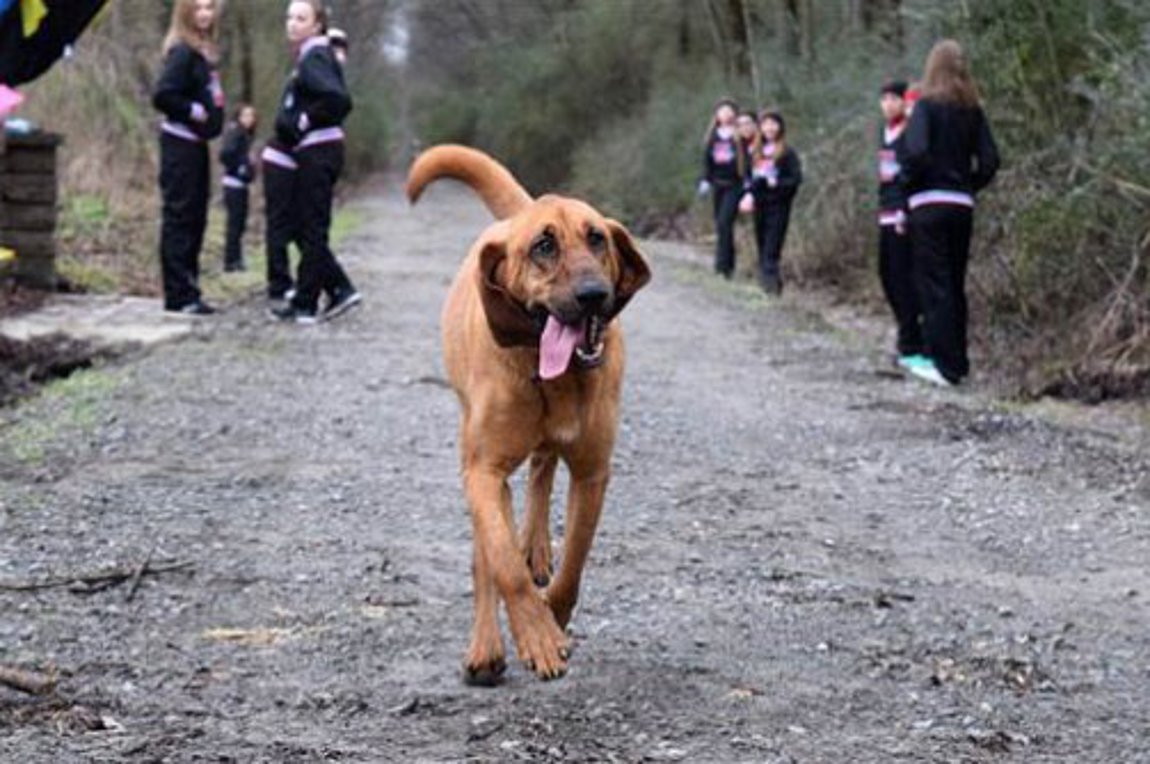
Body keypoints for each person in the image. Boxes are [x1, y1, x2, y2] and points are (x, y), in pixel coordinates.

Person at [899, 40, 999, 386]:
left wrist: (910, 185)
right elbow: (990, 161)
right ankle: (958, 362)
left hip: (929, 204)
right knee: (954, 283)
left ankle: (942, 365)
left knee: (934, 283)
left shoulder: (926, 107)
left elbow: (915, 152)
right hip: (961, 206)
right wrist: (967, 186)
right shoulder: (973, 111)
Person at [270, 0, 359, 324]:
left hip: (319, 150)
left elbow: (338, 98)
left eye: (301, 18)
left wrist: (304, 120)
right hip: (315, 150)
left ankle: (308, 302)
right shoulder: (311, 54)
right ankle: (331, 290)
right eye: (289, 17)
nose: (292, 24)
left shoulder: (315, 55)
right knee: (307, 225)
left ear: (317, 24)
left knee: (312, 228)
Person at [152, 0, 225, 315]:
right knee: (180, 216)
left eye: (209, 7)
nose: (205, 14)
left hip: (196, 146)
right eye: (198, 8)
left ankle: (190, 289)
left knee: (196, 216)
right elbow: (163, 94)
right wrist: (195, 111)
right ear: (185, 13)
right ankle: (178, 294)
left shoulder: (203, 53)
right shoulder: (182, 52)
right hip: (180, 146)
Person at [875, 79, 924, 369]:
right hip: (886, 210)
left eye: (894, 99)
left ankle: (911, 343)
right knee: (887, 275)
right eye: (884, 99)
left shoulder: (912, 134)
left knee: (904, 277)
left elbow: (914, 172)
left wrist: (905, 209)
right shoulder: (885, 133)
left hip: (904, 213)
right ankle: (907, 332)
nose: (888, 104)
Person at [745, 110, 802, 295]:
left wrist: (777, 183)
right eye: (766, 124)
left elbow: (795, 179)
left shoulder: (787, 152)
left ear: (780, 127)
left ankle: (771, 290)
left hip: (778, 206)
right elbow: (750, 179)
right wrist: (749, 195)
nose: (769, 128)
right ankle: (768, 286)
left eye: (773, 124)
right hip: (760, 205)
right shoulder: (756, 152)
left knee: (772, 248)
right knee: (762, 246)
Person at [699, 99, 745, 279]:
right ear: (717, 115)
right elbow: (707, 162)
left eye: (729, 111)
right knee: (721, 225)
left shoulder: (738, 135)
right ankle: (726, 265)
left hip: (735, 185)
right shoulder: (712, 136)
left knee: (725, 222)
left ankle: (722, 267)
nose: (725, 114)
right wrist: (705, 180)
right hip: (718, 185)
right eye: (722, 111)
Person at [219, 104, 257, 272]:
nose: (249, 119)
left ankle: (236, 259)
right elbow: (226, 154)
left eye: (252, 116)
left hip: (240, 184)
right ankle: (231, 261)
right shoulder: (236, 133)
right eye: (246, 115)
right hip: (233, 183)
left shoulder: (245, 135)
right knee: (235, 223)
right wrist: (240, 167)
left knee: (239, 223)